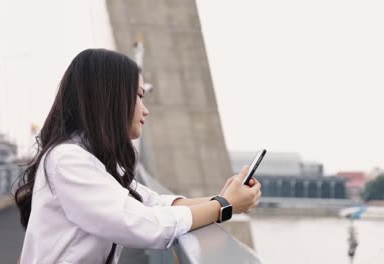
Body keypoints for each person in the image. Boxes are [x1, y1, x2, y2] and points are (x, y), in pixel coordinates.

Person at [14, 49, 262, 264]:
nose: (146, 109)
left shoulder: (94, 160)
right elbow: (147, 225)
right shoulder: (68, 160)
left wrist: (225, 198)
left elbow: (153, 203)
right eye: (140, 95)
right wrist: (224, 207)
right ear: (111, 96)